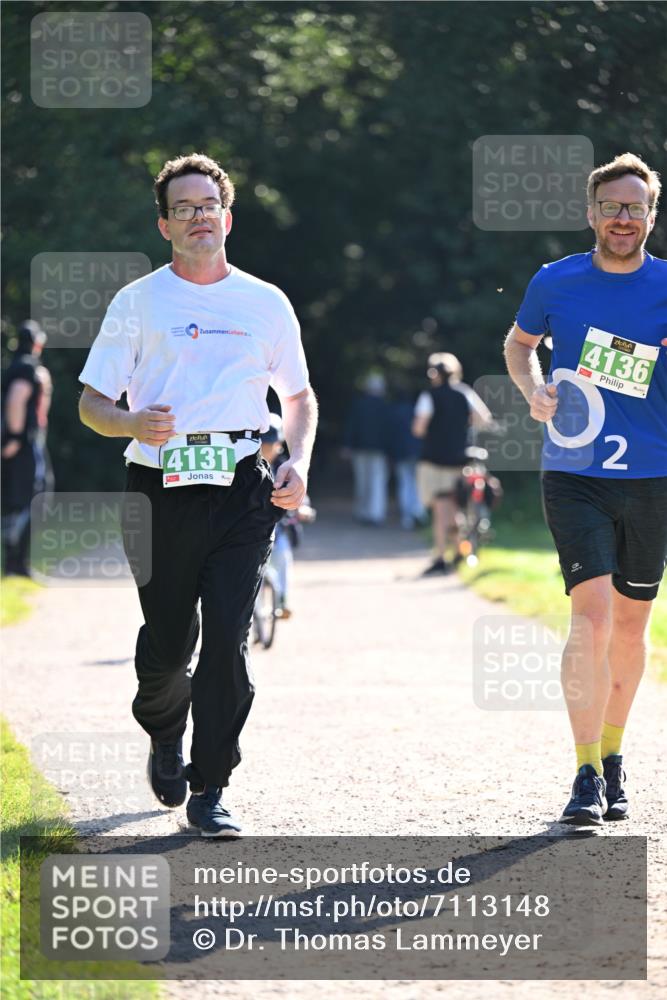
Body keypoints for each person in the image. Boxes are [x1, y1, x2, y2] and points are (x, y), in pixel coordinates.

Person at [78, 153, 318, 837]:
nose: (198, 216)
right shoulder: (138, 302)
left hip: (242, 485)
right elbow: (91, 403)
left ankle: (212, 784)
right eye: (183, 207)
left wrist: (296, 461)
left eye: (207, 204)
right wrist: (128, 421)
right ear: (165, 224)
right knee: (167, 643)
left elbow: (297, 397)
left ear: (227, 217)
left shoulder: (264, 301)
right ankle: (162, 729)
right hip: (157, 489)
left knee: (226, 646)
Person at [504, 152, 667, 826]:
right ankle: (581, 773)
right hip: (574, 471)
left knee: (630, 627)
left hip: (653, 475)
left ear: (650, 216)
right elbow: (518, 345)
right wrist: (533, 389)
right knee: (591, 616)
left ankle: (613, 756)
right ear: (590, 214)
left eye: (634, 207)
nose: (621, 218)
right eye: (611, 206)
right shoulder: (554, 281)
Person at [412, 353, 493, 574]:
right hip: (460, 460)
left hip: (434, 460)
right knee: (455, 506)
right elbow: (484, 419)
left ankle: (440, 556)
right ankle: (459, 550)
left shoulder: (429, 396)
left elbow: (419, 428)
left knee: (441, 509)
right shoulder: (465, 393)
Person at [1, 320, 53, 576]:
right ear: (36, 344)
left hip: (21, 444)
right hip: (23, 446)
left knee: (19, 500)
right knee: (28, 499)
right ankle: (16, 565)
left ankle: (16, 563)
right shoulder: (27, 369)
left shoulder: (15, 366)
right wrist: (15, 437)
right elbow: (16, 400)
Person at [260, 413, 316, 618]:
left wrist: (303, 507)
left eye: (270, 445)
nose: (266, 449)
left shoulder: (285, 468)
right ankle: (253, 610)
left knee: (283, 556)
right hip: (251, 527)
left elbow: (300, 492)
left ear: (279, 444)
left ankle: (283, 600)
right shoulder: (247, 469)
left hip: (278, 527)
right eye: (262, 444)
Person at [343, 372, 390, 525]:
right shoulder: (385, 406)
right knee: (377, 482)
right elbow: (390, 431)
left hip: (360, 448)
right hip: (380, 450)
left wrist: (348, 446)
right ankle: (375, 514)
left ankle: (362, 512)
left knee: (362, 481)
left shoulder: (359, 404)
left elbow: (351, 427)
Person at [388, 392, 427, 530]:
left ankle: (407, 516)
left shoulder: (393, 413)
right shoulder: (417, 411)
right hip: (416, 452)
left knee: (404, 483)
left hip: (401, 453)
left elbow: (391, 436)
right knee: (418, 483)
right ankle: (419, 513)